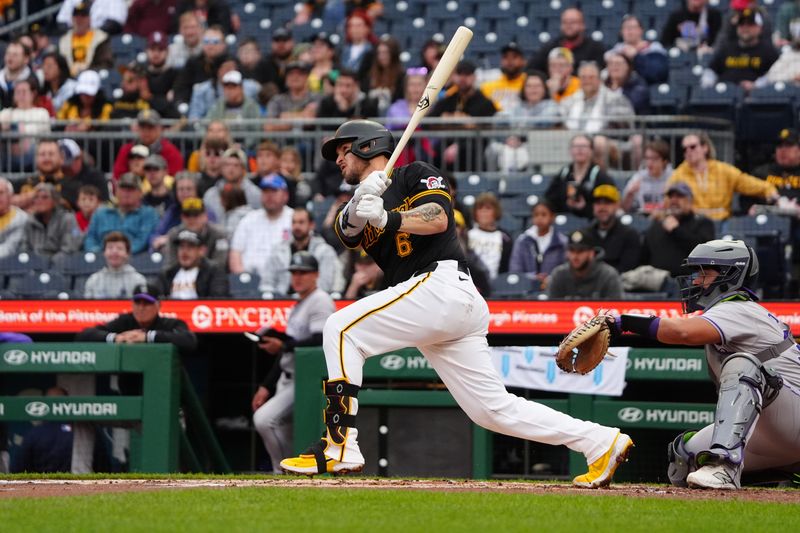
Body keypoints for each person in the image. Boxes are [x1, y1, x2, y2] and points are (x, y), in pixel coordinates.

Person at [279, 119, 633, 489]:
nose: (337, 159)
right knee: (491, 410)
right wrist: (361, 200)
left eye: (343, 150)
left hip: (441, 284)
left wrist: (389, 215)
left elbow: (437, 218)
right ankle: (600, 441)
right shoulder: (362, 196)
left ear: (367, 146)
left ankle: (340, 444)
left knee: (340, 329)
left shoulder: (415, 173)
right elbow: (345, 232)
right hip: (434, 305)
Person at [603, 239, 800, 489]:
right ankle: (791, 469)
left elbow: (682, 332)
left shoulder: (740, 307)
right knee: (684, 457)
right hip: (774, 429)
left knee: (742, 365)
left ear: (731, 275)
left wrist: (624, 322)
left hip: (792, 417)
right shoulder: (728, 311)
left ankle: (725, 469)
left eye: (704, 274)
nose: (696, 281)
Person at [252, 251, 335, 473]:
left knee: (264, 420)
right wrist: (266, 385)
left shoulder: (320, 300)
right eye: (294, 272)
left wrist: (283, 345)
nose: (297, 277)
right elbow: (292, 345)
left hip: (304, 381)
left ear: (316, 275)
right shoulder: (300, 303)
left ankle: (283, 473)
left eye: (303, 272)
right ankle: (289, 475)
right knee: (282, 431)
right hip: (286, 378)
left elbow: (320, 340)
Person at [668, 132, 778, 221]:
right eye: (684, 149)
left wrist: (769, 190)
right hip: (693, 223)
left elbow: (748, 183)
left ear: (705, 148)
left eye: (692, 147)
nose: (688, 151)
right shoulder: (678, 174)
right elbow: (668, 200)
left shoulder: (723, 170)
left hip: (722, 223)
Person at [428, 60, 497, 171]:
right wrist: (454, 118)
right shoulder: (449, 98)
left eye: (467, 74)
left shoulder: (484, 102)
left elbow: (487, 126)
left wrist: (464, 122)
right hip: (446, 146)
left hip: (474, 148)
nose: (463, 78)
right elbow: (429, 121)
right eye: (460, 74)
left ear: (474, 77)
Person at [640, 182, 716, 277]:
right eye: (671, 197)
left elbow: (705, 253)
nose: (674, 200)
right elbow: (643, 258)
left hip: (690, 281)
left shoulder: (703, 223)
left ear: (690, 200)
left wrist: (676, 230)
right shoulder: (656, 227)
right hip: (656, 282)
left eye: (679, 196)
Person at [260, 207, 342, 295]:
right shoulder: (278, 250)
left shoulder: (325, 251)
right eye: (293, 222)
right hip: (281, 301)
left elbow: (325, 285)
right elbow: (267, 282)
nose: (297, 226)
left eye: (301, 222)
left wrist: (301, 296)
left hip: (313, 301)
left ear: (311, 225)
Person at [229, 174, 293, 279]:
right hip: (249, 281)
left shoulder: (294, 219)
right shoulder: (249, 219)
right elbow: (235, 254)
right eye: (265, 191)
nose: (269, 196)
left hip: (282, 282)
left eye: (274, 191)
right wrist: (243, 279)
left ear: (285, 195)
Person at [701, 8, 779, 92]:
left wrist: (756, 85)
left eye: (750, 24)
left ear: (759, 28)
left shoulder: (768, 50)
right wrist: (709, 86)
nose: (745, 28)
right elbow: (711, 70)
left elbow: (776, 74)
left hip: (754, 98)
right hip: (725, 96)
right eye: (741, 24)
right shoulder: (726, 48)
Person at [84, 173, 160, 254]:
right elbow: (90, 238)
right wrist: (100, 253)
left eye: (131, 189)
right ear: (116, 191)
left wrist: (119, 253)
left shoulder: (149, 214)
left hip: (136, 261)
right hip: (101, 259)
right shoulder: (100, 213)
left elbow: (143, 241)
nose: (126, 193)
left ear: (140, 193)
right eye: (123, 189)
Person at [545, 134, 616, 218]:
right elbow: (549, 200)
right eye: (576, 146)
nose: (580, 149)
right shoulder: (563, 174)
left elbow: (610, 206)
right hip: (564, 222)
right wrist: (566, 204)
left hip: (593, 223)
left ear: (591, 151)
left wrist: (584, 207)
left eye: (584, 146)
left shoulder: (601, 176)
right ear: (570, 150)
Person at [10, 386, 75, 473]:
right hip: (72, 483)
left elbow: (18, 468)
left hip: (39, 482)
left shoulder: (35, 433)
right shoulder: (78, 432)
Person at [547, 228, 624, 299]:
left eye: (580, 251)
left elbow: (617, 310)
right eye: (572, 250)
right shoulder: (559, 275)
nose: (575, 256)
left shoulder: (608, 276)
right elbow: (551, 310)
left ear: (592, 253)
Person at [561, 61, 635, 134]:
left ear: (600, 80)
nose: (587, 81)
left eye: (591, 77)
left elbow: (623, 127)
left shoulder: (615, 99)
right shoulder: (569, 101)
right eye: (583, 77)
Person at [527, 7, 606, 73]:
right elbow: (531, 69)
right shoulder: (550, 47)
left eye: (573, 22)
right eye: (565, 22)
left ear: (583, 25)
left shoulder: (595, 48)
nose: (568, 26)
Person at [509, 200, 568, 289]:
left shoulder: (562, 242)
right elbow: (515, 270)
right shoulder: (522, 241)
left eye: (544, 214)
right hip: (526, 289)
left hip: (555, 288)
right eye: (536, 215)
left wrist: (550, 279)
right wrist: (533, 278)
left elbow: (566, 270)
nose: (539, 218)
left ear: (552, 217)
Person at [583, 185, 641, 273]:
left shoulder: (630, 235)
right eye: (598, 203)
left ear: (617, 205)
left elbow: (628, 271)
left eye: (607, 203)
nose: (602, 208)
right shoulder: (585, 235)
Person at [112, 109, 184, 180]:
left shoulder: (170, 151)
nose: (146, 131)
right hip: (132, 190)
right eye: (142, 127)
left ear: (159, 128)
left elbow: (175, 180)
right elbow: (117, 177)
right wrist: (132, 175)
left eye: (150, 127)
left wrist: (147, 173)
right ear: (137, 128)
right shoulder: (127, 150)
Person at [161, 198, 229, 270]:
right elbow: (170, 264)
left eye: (196, 215)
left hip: (210, 277)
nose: (191, 219)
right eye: (187, 215)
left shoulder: (219, 235)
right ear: (182, 217)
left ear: (205, 216)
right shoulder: (174, 235)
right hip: (182, 276)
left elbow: (219, 264)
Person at [20, 183, 82, 261]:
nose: (39, 200)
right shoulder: (29, 221)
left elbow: (70, 248)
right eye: (36, 197)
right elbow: (24, 248)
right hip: (34, 266)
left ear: (55, 201)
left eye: (45, 197)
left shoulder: (68, 219)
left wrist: (49, 263)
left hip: (62, 267)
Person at [0, 78, 51, 173]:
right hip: (7, 156)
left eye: (24, 91)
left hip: (33, 155)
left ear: (33, 94)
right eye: (18, 92)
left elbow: (45, 138)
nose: (21, 95)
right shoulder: (6, 112)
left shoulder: (41, 113)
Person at [159, 229, 228, 298]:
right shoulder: (168, 273)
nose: (184, 252)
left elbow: (219, 299)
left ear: (202, 251)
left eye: (190, 247)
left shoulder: (213, 271)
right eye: (181, 247)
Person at [172, 26, 228, 105]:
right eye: (206, 41)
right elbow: (181, 89)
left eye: (215, 42)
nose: (210, 46)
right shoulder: (193, 64)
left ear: (223, 44)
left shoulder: (230, 63)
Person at [83, 231, 148, 298]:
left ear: (127, 253)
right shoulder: (93, 280)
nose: (114, 252)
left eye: (119, 248)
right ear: (104, 253)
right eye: (110, 248)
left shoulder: (138, 280)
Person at [607, 15, 668, 85]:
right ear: (621, 32)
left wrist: (636, 56)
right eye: (626, 28)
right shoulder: (614, 52)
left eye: (633, 27)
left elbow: (658, 74)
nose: (629, 31)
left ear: (641, 30)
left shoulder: (654, 48)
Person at [203, 147, 262, 220]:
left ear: (243, 169)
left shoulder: (255, 194)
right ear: (222, 168)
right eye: (227, 165)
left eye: (236, 165)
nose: (231, 169)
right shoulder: (211, 194)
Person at [57, 1, 113, 77]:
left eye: (83, 16)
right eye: (76, 16)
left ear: (89, 19)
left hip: (93, 77)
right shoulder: (64, 40)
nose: (79, 20)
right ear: (72, 19)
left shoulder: (101, 38)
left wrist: (87, 70)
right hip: (69, 79)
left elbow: (105, 64)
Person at [621, 139, 674, 214]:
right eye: (647, 158)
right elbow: (624, 209)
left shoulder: (674, 178)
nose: (649, 163)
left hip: (666, 218)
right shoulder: (638, 178)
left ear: (665, 161)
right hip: (643, 219)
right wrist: (630, 194)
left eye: (654, 159)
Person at [467, 193, 511, 280]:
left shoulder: (504, 238)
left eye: (488, 208)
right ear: (475, 212)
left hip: (496, 284)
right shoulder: (467, 236)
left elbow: (506, 267)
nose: (484, 211)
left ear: (496, 211)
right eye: (480, 208)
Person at [264, 61, 318, 132]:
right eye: (290, 74)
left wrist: (283, 117)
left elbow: (310, 120)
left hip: (311, 142)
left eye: (300, 73)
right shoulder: (277, 100)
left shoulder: (316, 98)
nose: (295, 77)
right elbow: (269, 127)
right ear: (286, 78)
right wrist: (302, 116)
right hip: (281, 142)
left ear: (307, 77)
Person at [57, 138, 110, 211]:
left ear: (79, 158)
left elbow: (104, 203)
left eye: (68, 165)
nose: (64, 169)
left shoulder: (95, 177)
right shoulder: (53, 176)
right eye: (62, 167)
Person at [481, 42, 527, 112]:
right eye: (505, 57)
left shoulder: (530, 84)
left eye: (514, 57)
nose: (509, 61)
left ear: (523, 61)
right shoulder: (487, 86)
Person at [365, 36, 404, 115]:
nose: (381, 57)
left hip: (393, 118)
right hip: (372, 117)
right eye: (379, 53)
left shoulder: (401, 76)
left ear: (393, 54)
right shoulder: (370, 76)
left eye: (385, 53)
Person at [57, 0, 128, 35]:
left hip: (102, 41)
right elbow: (61, 22)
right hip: (74, 38)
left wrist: (89, 34)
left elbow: (114, 24)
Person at [0, 177, 28, 259]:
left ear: (10, 196)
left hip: (11, 266)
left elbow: (10, 248)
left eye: (0, 193)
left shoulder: (22, 218)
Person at [0, 41, 33, 109]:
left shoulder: (32, 80)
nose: (10, 57)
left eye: (15, 55)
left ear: (26, 59)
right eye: (8, 53)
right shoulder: (1, 77)